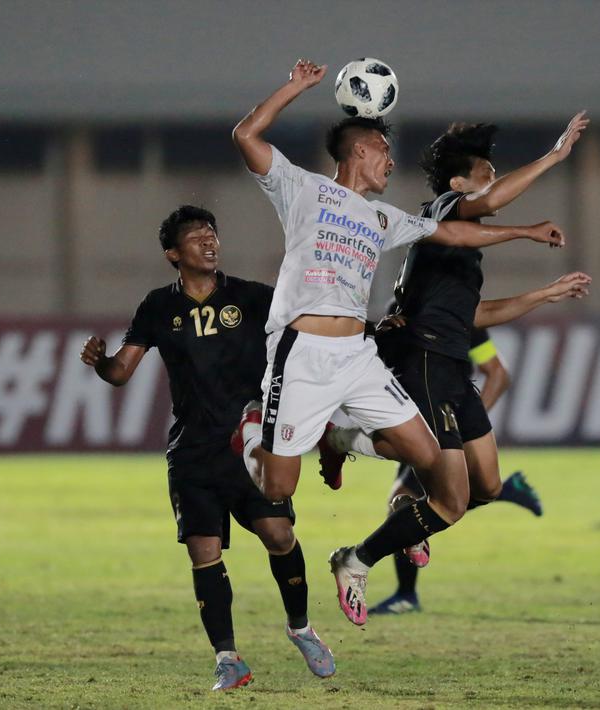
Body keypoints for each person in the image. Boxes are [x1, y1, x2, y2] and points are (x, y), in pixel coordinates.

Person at [230, 59, 567, 626]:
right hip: (303, 352)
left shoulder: (383, 217)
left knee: (429, 457)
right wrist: (297, 87)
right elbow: (246, 135)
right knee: (276, 486)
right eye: (383, 152)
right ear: (359, 151)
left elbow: (455, 231)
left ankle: (337, 440)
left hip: (358, 355)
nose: (391, 161)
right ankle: (252, 428)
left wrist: (524, 232)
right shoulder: (301, 189)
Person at [78, 206, 335, 691]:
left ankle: (300, 628)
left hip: (252, 442)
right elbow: (120, 372)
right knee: (205, 552)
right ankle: (228, 660)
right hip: (192, 450)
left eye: (212, 234)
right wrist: (100, 362)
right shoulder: (157, 307)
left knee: (278, 535)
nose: (209, 242)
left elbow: (306, 330)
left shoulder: (254, 298)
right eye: (197, 237)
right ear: (173, 254)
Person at [367, 326, 543, 616]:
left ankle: (405, 594)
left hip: (439, 426)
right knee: (416, 501)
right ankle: (504, 489)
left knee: (407, 500)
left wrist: (467, 426)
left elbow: (497, 372)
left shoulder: (458, 316)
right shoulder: (401, 313)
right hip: (415, 422)